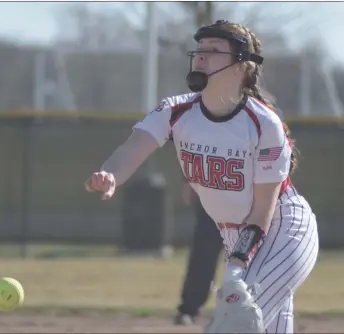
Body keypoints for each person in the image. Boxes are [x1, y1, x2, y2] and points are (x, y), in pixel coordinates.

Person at [85, 19, 319, 334]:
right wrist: (111, 174)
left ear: (241, 66)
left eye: (213, 50)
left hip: (283, 229)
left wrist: (235, 266)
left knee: (236, 323)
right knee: (267, 328)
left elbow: (263, 210)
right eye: (199, 50)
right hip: (234, 235)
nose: (201, 56)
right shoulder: (175, 111)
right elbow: (134, 148)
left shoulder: (263, 123)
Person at [174, 182, 223, 326]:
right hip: (213, 188)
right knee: (204, 252)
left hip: (250, 190)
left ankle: (256, 307)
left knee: (252, 253)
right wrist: (188, 180)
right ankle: (189, 308)